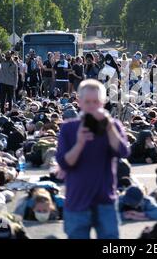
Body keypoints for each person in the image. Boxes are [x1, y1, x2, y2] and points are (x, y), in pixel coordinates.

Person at [56, 79, 130, 239]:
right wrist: (80, 143)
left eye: (96, 102)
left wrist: (109, 127)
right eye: (87, 102)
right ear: (79, 102)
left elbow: (123, 152)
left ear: (103, 102)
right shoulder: (69, 128)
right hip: (77, 199)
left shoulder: (113, 126)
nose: (91, 106)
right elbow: (64, 163)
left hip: (105, 198)